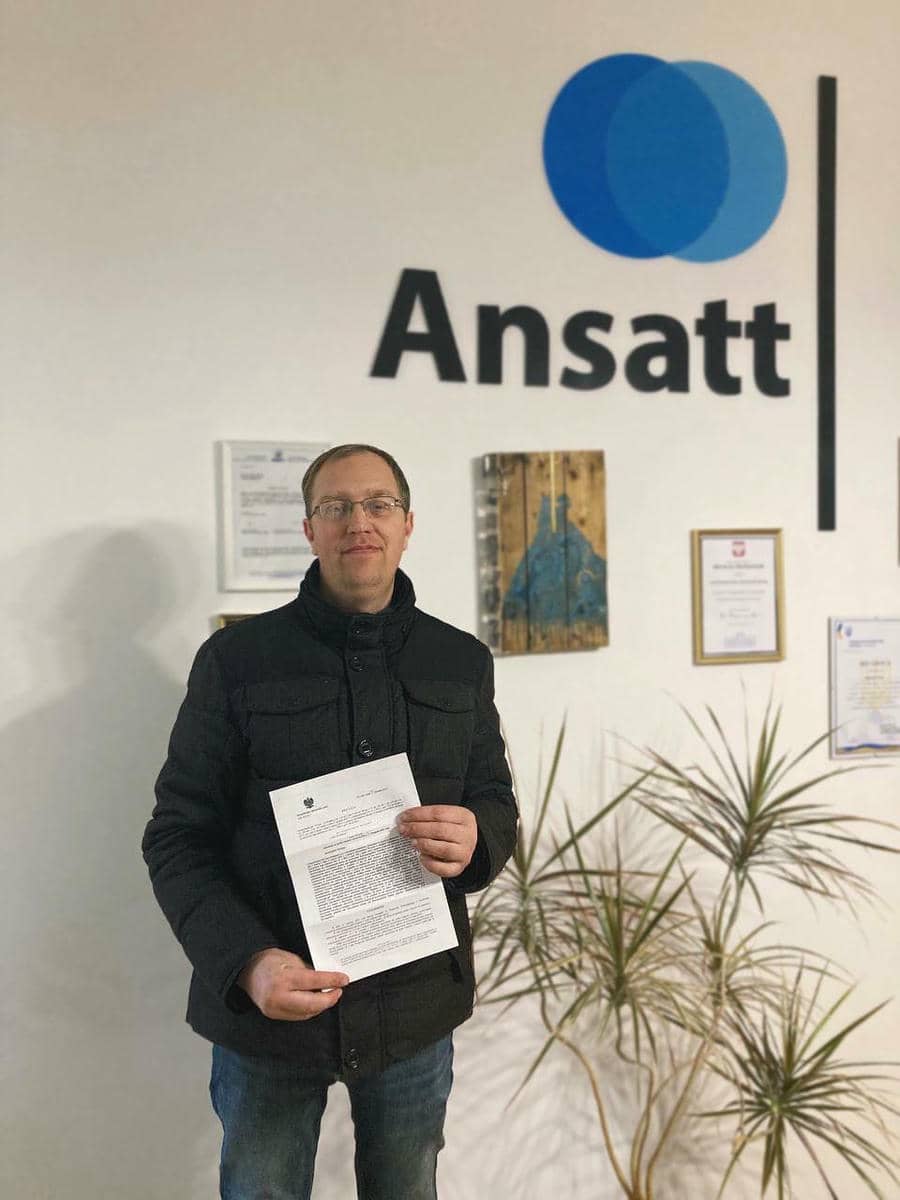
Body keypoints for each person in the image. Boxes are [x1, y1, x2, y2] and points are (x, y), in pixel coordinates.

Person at [143, 444, 517, 1200]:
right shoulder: (234, 661)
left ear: (407, 524)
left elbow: (494, 799)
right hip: (269, 1012)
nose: (359, 522)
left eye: (378, 504)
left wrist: (478, 836)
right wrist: (248, 962)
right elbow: (178, 837)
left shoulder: (461, 660)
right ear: (309, 529)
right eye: (336, 507)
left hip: (414, 1005)